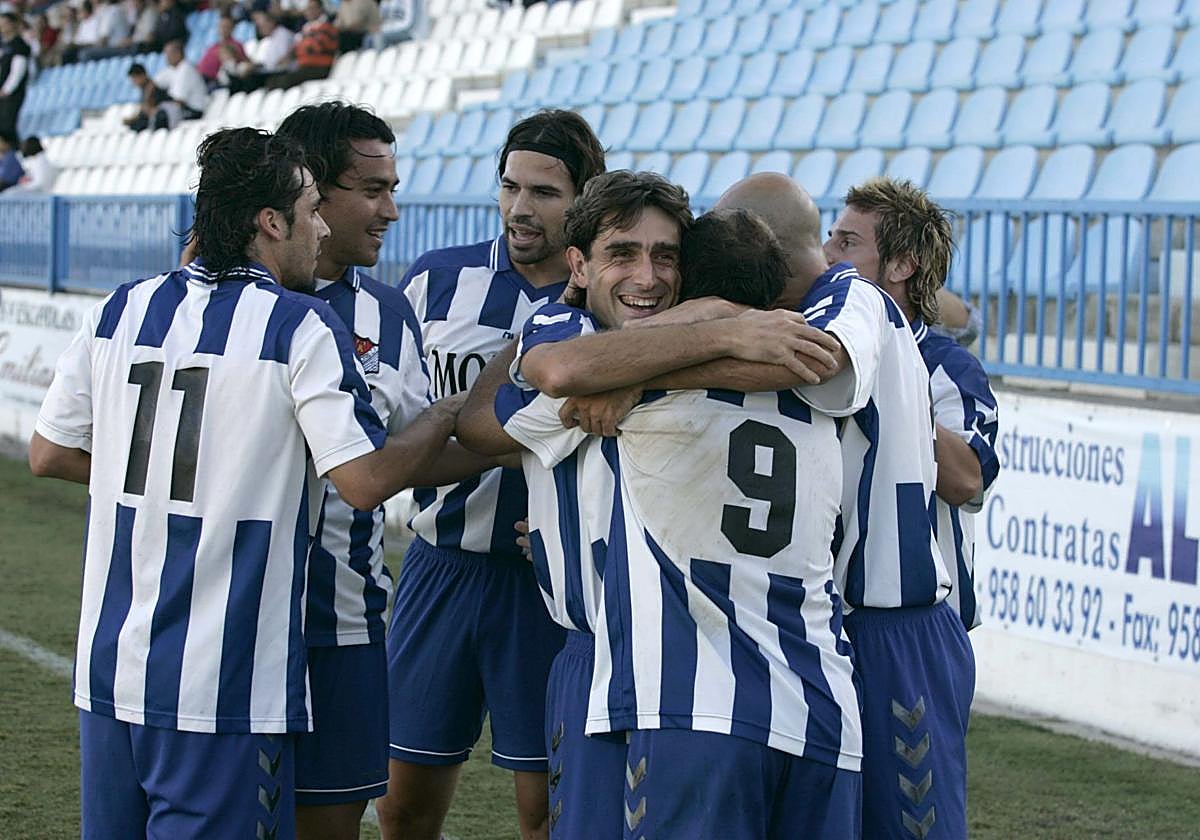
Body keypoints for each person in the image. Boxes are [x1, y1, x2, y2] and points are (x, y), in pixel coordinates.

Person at [26, 126, 487, 840]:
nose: (321, 228)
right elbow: (365, 481)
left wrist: (186, 482)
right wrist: (448, 414)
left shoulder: (123, 306)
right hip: (225, 677)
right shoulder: (298, 324)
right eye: (310, 211)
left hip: (112, 664)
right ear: (271, 222)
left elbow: (50, 452)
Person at [457, 173, 863, 838]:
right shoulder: (798, 368)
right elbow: (522, 399)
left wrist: (642, 371)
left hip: (673, 676)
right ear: (578, 265)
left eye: (665, 257)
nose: (647, 277)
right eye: (623, 254)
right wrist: (717, 324)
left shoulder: (611, 366)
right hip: (761, 679)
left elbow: (490, 419)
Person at [372, 109, 604, 840]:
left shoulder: (607, 301)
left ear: (584, 200)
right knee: (401, 805)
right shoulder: (436, 280)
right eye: (510, 187)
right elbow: (400, 417)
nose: (520, 208)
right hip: (440, 565)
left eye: (544, 193)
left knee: (546, 814)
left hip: (548, 586)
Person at [275, 101, 500, 840]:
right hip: (236, 616)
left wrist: (530, 439)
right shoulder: (228, 306)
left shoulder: (388, 313)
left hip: (345, 622)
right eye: (373, 190)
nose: (391, 211)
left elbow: (412, 457)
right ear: (310, 189)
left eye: (392, 189)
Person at [825, 176, 1001, 633]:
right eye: (830, 238)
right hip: (830, 616)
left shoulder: (948, 367)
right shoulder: (829, 350)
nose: (827, 254)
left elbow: (966, 480)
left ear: (902, 265)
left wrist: (897, 389)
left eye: (847, 243)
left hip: (917, 626)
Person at [267, 0, 337, 90]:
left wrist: (305, 42)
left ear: (320, 9)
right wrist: (290, 55)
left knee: (284, 81)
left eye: (312, 8)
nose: (309, 12)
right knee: (272, 80)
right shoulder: (306, 28)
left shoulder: (328, 27)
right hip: (304, 67)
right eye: (307, 9)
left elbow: (316, 48)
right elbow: (298, 47)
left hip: (319, 67)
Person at [227, 6, 294, 93]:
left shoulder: (282, 35)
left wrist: (256, 66)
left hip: (280, 72)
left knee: (248, 81)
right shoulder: (268, 40)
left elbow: (281, 61)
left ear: (271, 22)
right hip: (268, 71)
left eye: (263, 26)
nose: (261, 29)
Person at [153, 39, 208, 120]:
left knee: (161, 117)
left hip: (194, 111)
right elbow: (153, 83)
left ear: (178, 54)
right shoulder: (176, 69)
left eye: (169, 55)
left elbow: (179, 101)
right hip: (185, 108)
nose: (167, 58)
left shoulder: (185, 69)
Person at [0, 11, 30, 138]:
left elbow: (18, 71)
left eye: (5, 23)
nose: (2, 27)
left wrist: (6, 89)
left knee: (7, 126)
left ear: (13, 24)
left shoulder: (19, 45)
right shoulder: (4, 45)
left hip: (12, 93)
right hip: (2, 90)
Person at [197, 14, 246, 83]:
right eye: (221, 26)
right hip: (200, 77)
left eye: (226, 27)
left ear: (232, 28)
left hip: (214, 81)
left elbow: (241, 63)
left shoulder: (236, 45)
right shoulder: (214, 46)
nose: (223, 29)